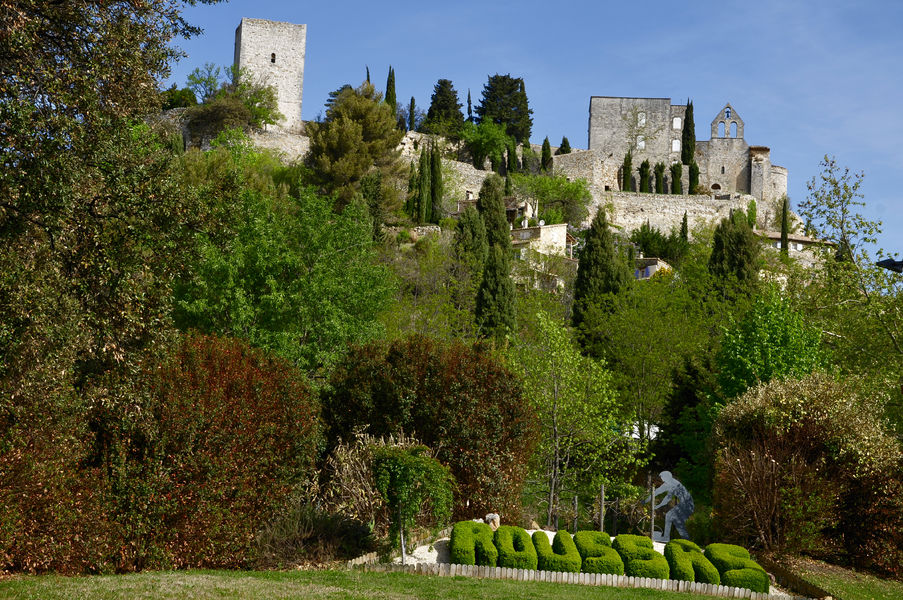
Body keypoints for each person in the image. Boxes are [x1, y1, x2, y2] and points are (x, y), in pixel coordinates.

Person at [643, 471, 694, 541]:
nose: (662, 480)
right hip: (684, 504)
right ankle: (686, 540)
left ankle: (666, 538)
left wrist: (658, 506)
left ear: (667, 477)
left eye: (662, 478)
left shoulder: (674, 484)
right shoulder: (667, 484)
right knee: (677, 523)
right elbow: (656, 492)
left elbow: (667, 499)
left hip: (687, 504)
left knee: (669, 516)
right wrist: (645, 501)